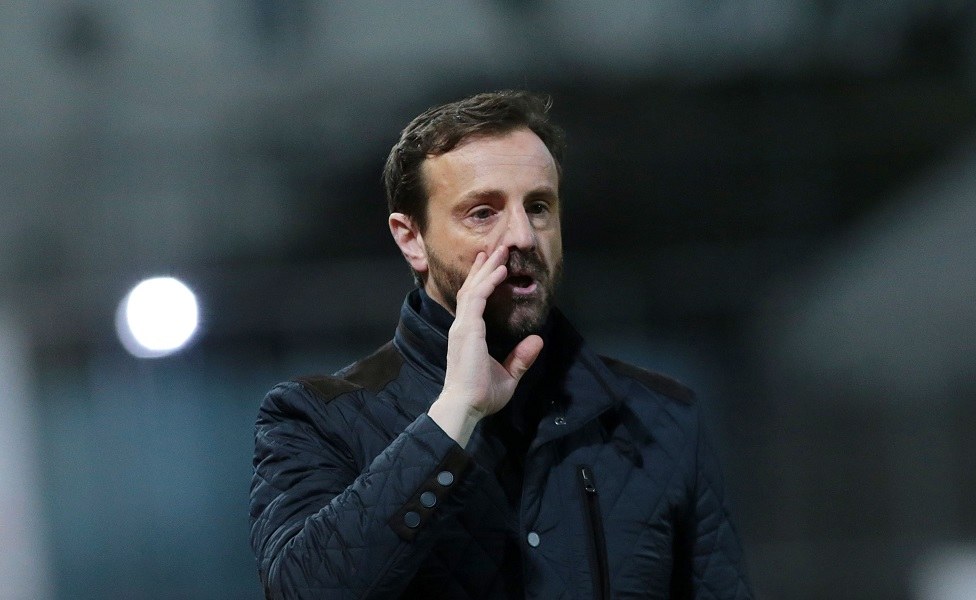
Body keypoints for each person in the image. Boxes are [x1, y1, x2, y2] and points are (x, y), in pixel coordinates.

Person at [250, 90, 753, 599]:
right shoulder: (315, 418)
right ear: (411, 239)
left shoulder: (662, 418)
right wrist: (454, 414)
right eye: (483, 212)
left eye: (538, 207)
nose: (523, 236)